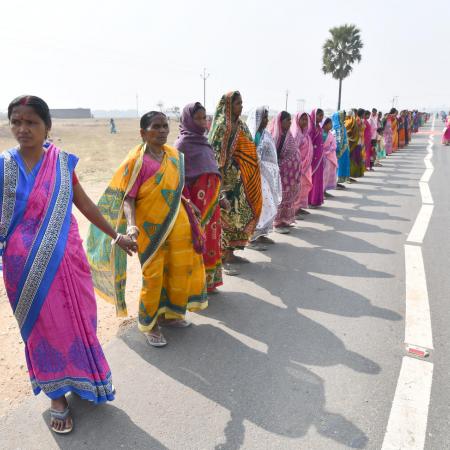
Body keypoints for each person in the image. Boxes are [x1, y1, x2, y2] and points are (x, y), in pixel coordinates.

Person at [1, 95, 137, 434]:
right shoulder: (3, 166)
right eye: (16, 121)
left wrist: (115, 234)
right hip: (23, 268)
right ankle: (57, 396)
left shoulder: (61, 163)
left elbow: (86, 205)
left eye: (31, 122)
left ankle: (83, 378)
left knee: (78, 322)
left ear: (47, 126)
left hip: (66, 260)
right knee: (42, 331)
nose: (22, 128)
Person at [87, 111, 208, 348]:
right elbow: (128, 199)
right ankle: (150, 323)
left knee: (177, 269)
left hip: (178, 224)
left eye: (165, 126)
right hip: (150, 230)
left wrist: (189, 202)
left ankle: (171, 315)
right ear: (143, 133)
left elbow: (176, 188)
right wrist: (131, 226)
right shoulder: (137, 161)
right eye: (156, 127)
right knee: (153, 276)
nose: (162, 131)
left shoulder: (174, 156)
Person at [208, 91, 262, 267]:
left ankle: (230, 252)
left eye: (242, 103)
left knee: (237, 216)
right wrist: (220, 186)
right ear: (229, 106)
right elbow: (216, 158)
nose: (241, 106)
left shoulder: (241, 125)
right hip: (224, 183)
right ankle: (223, 255)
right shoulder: (222, 127)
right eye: (238, 103)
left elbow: (248, 149)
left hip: (240, 181)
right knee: (225, 216)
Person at [174, 102, 223, 292]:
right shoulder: (182, 145)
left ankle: (210, 281)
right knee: (196, 241)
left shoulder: (205, 142)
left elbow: (213, 171)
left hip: (212, 204)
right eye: (198, 118)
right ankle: (195, 286)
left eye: (204, 118)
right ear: (188, 119)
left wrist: (220, 197)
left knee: (212, 240)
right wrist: (188, 203)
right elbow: (178, 178)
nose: (203, 122)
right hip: (194, 204)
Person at [246, 107, 281, 246]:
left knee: (268, 204)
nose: (266, 121)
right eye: (264, 118)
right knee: (257, 205)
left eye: (267, 118)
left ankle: (262, 233)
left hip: (267, 177)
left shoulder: (266, 134)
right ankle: (252, 237)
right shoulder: (252, 134)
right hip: (255, 176)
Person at [268, 111, 301, 233]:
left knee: (287, 200)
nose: (289, 123)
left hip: (290, 176)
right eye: (287, 121)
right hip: (281, 174)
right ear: (280, 122)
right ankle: (278, 223)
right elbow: (273, 155)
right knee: (280, 199)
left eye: (290, 121)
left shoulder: (288, 134)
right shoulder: (276, 135)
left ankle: (285, 220)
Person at [291, 111, 313, 215]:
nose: (305, 122)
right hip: (298, 167)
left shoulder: (305, 133)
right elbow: (294, 152)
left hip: (306, 167)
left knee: (303, 187)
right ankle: (294, 209)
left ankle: (299, 207)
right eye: (302, 119)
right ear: (297, 120)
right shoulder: (296, 134)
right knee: (297, 188)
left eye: (306, 120)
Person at [308, 108, 325, 207]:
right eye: (319, 115)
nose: (321, 118)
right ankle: (311, 200)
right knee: (313, 179)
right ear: (315, 115)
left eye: (322, 116)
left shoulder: (319, 127)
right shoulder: (311, 128)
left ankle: (317, 200)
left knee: (318, 179)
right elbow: (309, 142)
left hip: (319, 157)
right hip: (313, 158)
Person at [332, 111, 350, 187]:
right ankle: (335, 182)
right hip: (340, 151)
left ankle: (338, 182)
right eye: (343, 116)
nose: (344, 117)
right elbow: (338, 140)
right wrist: (339, 150)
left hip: (345, 149)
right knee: (339, 165)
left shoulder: (342, 125)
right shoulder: (337, 127)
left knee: (343, 165)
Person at [322, 118, 338, 197]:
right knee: (323, 175)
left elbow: (334, 144)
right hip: (322, 157)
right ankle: (321, 192)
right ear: (324, 125)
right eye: (330, 124)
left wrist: (330, 150)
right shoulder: (321, 134)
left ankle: (324, 190)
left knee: (328, 175)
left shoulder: (330, 134)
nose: (331, 125)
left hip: (329, 157)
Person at [345, 110, 364, 178]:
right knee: (354, 157)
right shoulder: (353, 122)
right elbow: (351, 132)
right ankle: (353, 173)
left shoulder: (354, 121)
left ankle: (355, 173)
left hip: (356, 141)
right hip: (353, 142)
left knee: (356, 157)